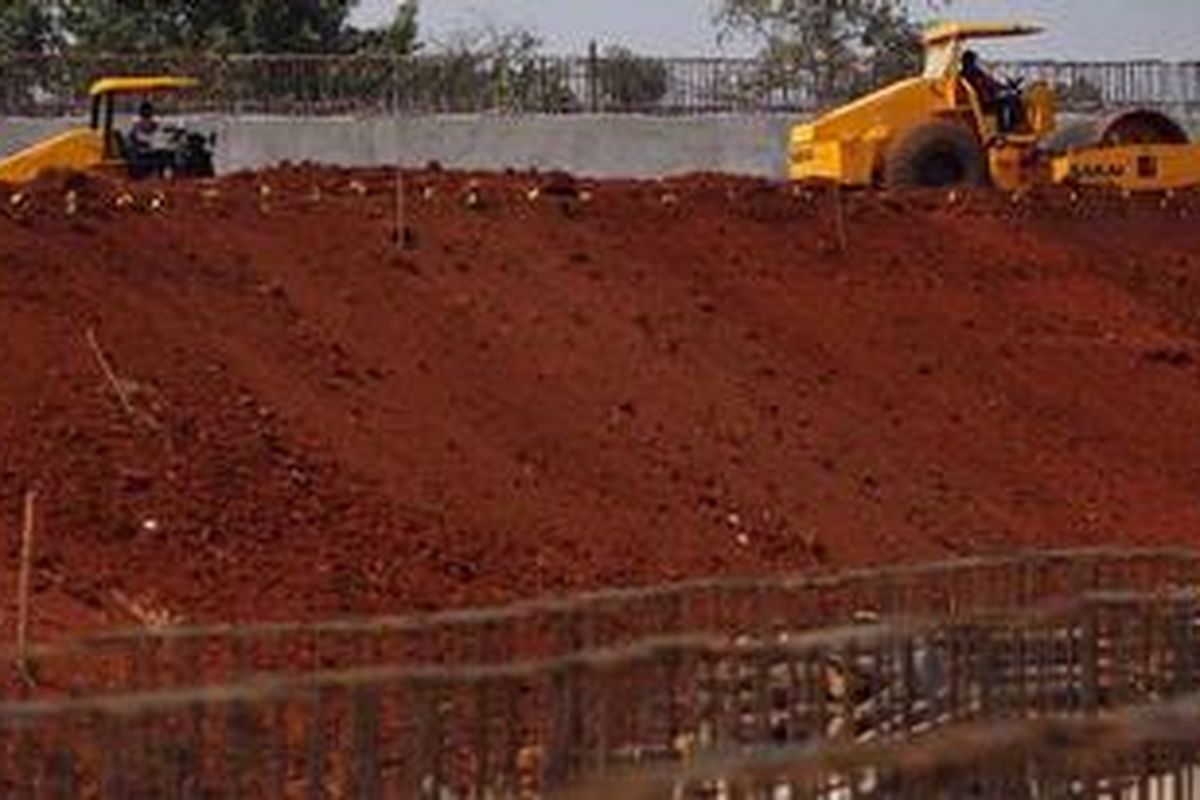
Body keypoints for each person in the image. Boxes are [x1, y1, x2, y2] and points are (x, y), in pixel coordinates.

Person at [960, 50, 1022, 133]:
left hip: (980, 100)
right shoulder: (975, 72)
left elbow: (990, 83)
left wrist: (1005, 88)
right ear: (972, 61)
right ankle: (1011, 127)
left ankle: (1005, 127)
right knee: (1012, 99)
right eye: (975, 60)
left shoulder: (963, 74)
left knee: (1007, 99)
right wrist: (1007, 87)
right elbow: (991, 84)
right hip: (985, 101)